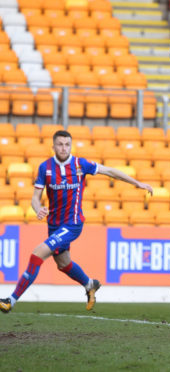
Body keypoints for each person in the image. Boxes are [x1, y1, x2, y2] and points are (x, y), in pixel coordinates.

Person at [0, 130, 153, 314]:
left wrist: (137, 183)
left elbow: (110, 171)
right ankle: (90, 285)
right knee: (63, 264)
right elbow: (35, 197)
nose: (63, 148)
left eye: (67, 144)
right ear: (53, 146)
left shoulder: (81, 164)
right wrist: (37, 208)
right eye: (60, 144)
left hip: (72, 223)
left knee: (37, 254)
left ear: (70, 146)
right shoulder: (45, 168)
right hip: (54, 225)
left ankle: (11, 300)